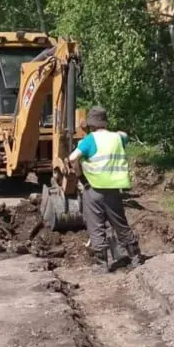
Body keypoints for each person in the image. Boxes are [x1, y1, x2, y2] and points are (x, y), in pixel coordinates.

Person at [67, 106, 141, 273]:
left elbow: (72, 158)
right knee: (120, 223)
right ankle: (135, 258)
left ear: (91, 124)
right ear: (105, 122)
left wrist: (80, 177)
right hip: (114, 189)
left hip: (93, 189)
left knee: (96, 226)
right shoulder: (118, 138)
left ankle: (102, 265)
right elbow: (124, 135)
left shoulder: (89, 140)